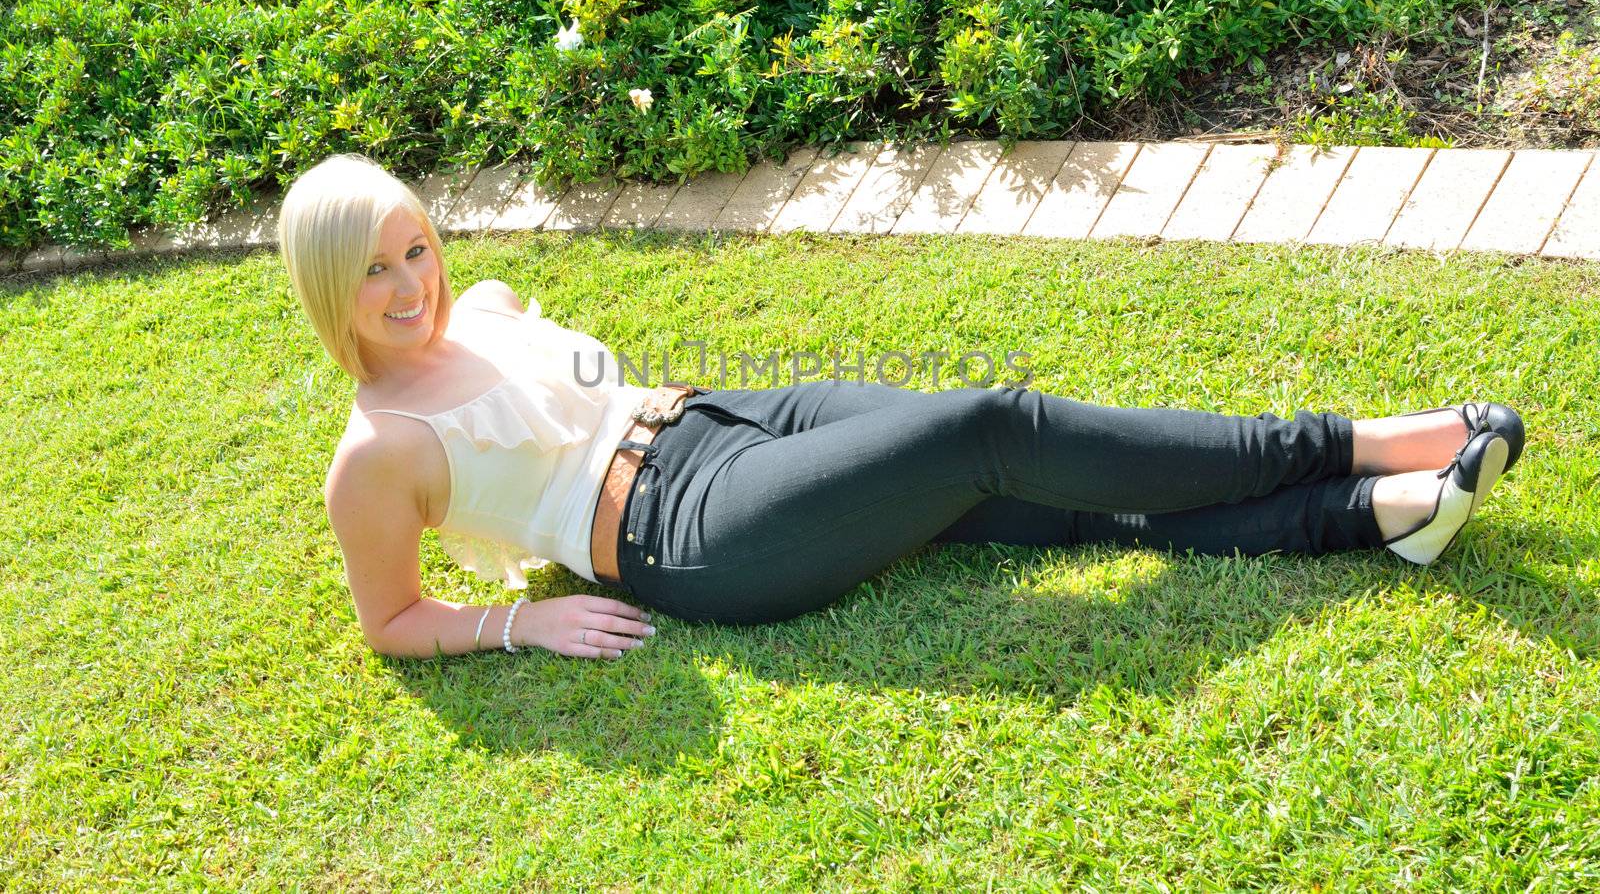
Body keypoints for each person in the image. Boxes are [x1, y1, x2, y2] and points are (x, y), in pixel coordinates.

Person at [278, 154, 1525, 661]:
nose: (409, 284)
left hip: (729, 419)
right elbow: (389, 618)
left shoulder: (480, 301)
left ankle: (1371, 519)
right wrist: (520, 628)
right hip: (688, 533)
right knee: (991, 428)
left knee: (1033, 503)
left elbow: (573, 388)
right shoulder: (375, 454)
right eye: (375, 270)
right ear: (329, 291)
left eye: (414, 247)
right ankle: (1361, 442)